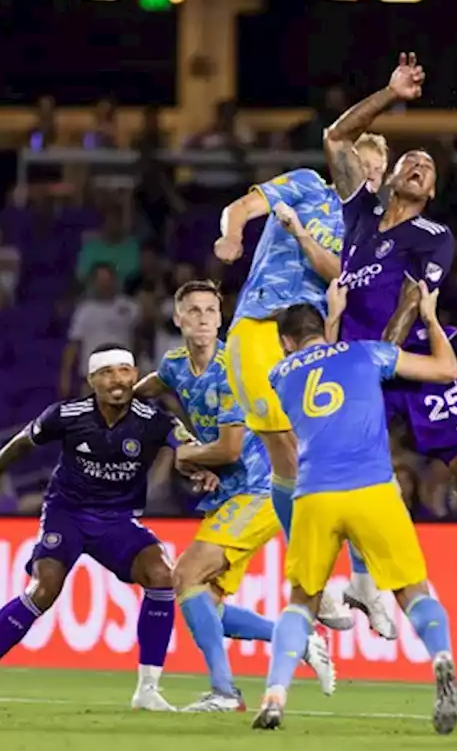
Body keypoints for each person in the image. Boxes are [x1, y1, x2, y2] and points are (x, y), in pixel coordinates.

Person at [319, 53, 457, 635]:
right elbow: (337, 135)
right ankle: (365, 583)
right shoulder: (358, 217)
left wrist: (380, 365)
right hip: (361, 365)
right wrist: (390, 93)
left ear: (432, 192)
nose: (417, 165)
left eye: (427, 167)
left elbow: (414, 301)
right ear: (388, 178)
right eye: (409, 159)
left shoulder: (432, 237)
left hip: (409, 360)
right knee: (359, 476)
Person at [252, 282, 457, 734]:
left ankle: (274, 696)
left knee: (302, 603)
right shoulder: (367, 353)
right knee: (412, 591)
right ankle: (441, 659)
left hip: (314, 495)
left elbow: (314, 359)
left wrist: (327, 319)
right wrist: (429, 316)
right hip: (373, 489)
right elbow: (446, 369)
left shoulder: (280, 373)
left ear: (285, 341)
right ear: (320, 328)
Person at [0, 344, 190, 712]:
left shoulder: (154, 420)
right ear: (92, 381)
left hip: (117, 521)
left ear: (135, 376)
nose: (117, 380)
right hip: (67, 514)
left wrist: (198, 466)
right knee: (44, 590)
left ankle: (148, 689)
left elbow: (187, 448)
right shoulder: (67, 415)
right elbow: (20, 444)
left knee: (161, 575)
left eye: (124, 371)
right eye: (106, 373)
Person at [134, 281, 334, 712]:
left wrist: (184, 453)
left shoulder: (231, 368)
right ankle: (298, 639)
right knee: (203, 601)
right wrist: (117, 403)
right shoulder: (175, 365)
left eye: (210, 310)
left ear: (221, 318)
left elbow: (228, 448)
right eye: (194, 310)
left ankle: (225, 693)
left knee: (184, 575)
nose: (203, 317)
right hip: (231, 494)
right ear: (178, 319)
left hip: (262, 488)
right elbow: (151, 386)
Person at [212, 84, 370, 628]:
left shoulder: (365, 228)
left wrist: (306, 241)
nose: (367, 180)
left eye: (376, 174)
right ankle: (311, 578)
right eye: (361, 166)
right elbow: (243, 205)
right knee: (284, 448)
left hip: (312, 341)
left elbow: (337, 276)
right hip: (260, 324)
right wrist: (232, 236)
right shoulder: (306, 185)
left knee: (322, 460)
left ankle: (339, 577)